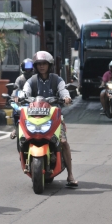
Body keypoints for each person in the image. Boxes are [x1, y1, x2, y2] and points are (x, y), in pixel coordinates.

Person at [21, 51, 78, 187]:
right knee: (23, 136)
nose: (42, 66)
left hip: (53, 117)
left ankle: (70, 175)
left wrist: (66, 97)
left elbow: (63, 90)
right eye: (39, 64)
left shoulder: (57, 79)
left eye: (44, 64)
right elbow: (25, 91)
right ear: (35, 66)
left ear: (49, 65)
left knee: (63, 141)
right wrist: (20, 96)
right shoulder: (31, 81)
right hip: (35, 116)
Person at [9, 58, 34, 139]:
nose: (27, 70)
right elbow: (15, 90)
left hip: (35, 102)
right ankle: (16, 127)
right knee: (15, 110)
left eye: (29, 68)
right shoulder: (20, 79)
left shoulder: (35, 78)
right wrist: (14, 97)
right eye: (26, 68)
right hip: (22, 102)